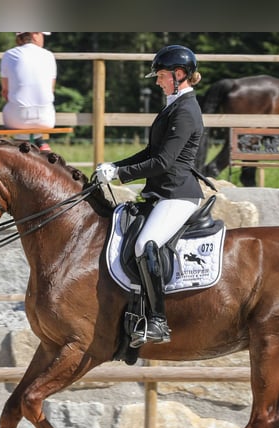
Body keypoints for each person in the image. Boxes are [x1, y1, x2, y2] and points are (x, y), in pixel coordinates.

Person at [95, 44, 204, 348]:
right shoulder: (174, 106)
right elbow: (150, 152)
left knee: (146, 244)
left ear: (179, 74)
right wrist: (116, 165)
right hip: (162, 192)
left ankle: (157, 320)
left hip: (177, 195)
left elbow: (163, 162)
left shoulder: (186, 110)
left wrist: (120, 175)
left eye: (161, 75)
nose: (157, 80)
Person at [0, 32, 57, 151]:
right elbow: (51, 90)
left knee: (13, 110)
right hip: (46, 118)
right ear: (34, 35)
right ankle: (41, 145)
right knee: (35, 126)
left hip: (17, 118)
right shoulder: (49, 55)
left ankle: (22, 150)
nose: (43, 39)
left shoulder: (9, 55)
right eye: (42, 35)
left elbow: (5, 92)